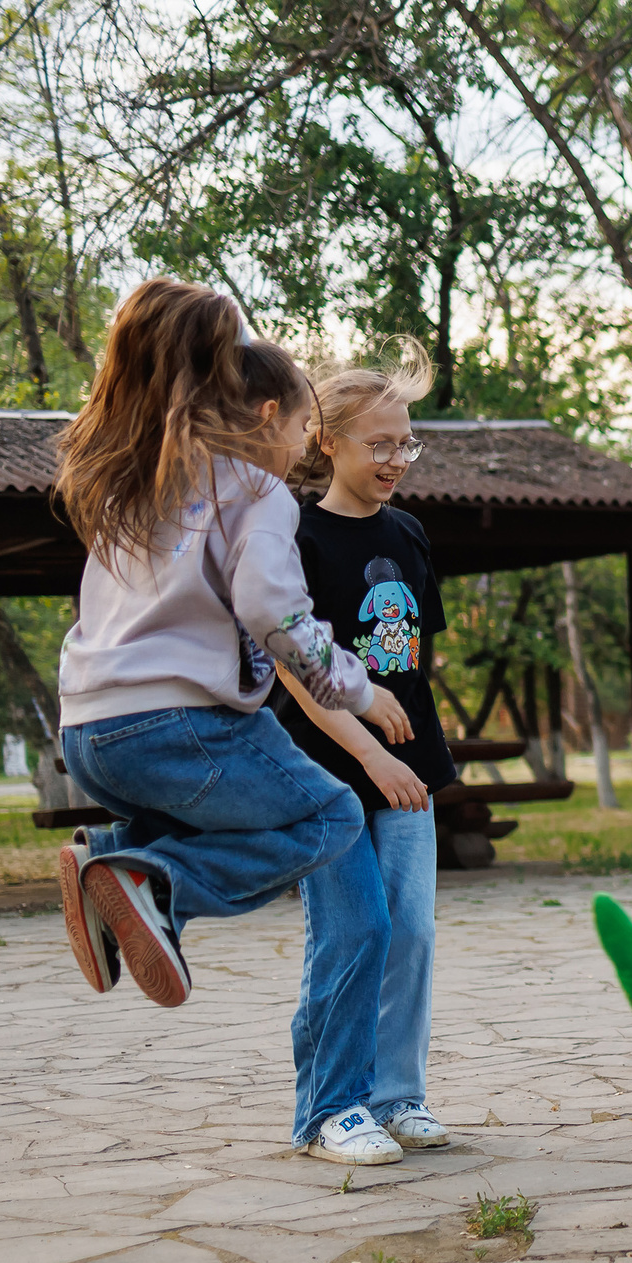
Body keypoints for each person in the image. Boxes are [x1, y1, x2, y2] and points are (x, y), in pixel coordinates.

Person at [53, 282, 411, 1168]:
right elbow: (274, 616)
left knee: (324, 869)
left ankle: (117, 852)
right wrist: (360, 693)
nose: (301, 447)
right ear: (263, 415)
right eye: (299, 427)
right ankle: (153, 882)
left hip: (92, 735)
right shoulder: (254, 489)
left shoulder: (135, 481)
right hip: (187, 726)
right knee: (331, 816)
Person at [272, 344, 459, 1163]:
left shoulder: (412, 534)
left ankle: (397, 1094)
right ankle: (329, 1108)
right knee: (353, 932)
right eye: (379, 443)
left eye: (406, 442)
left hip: (410, 765)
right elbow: (298, 666)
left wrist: (408, 752)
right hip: (327, 769)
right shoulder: (297, 535)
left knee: (409, 932)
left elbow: (416, 657)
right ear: (329, 442)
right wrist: (370, 756)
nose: (395, 459)